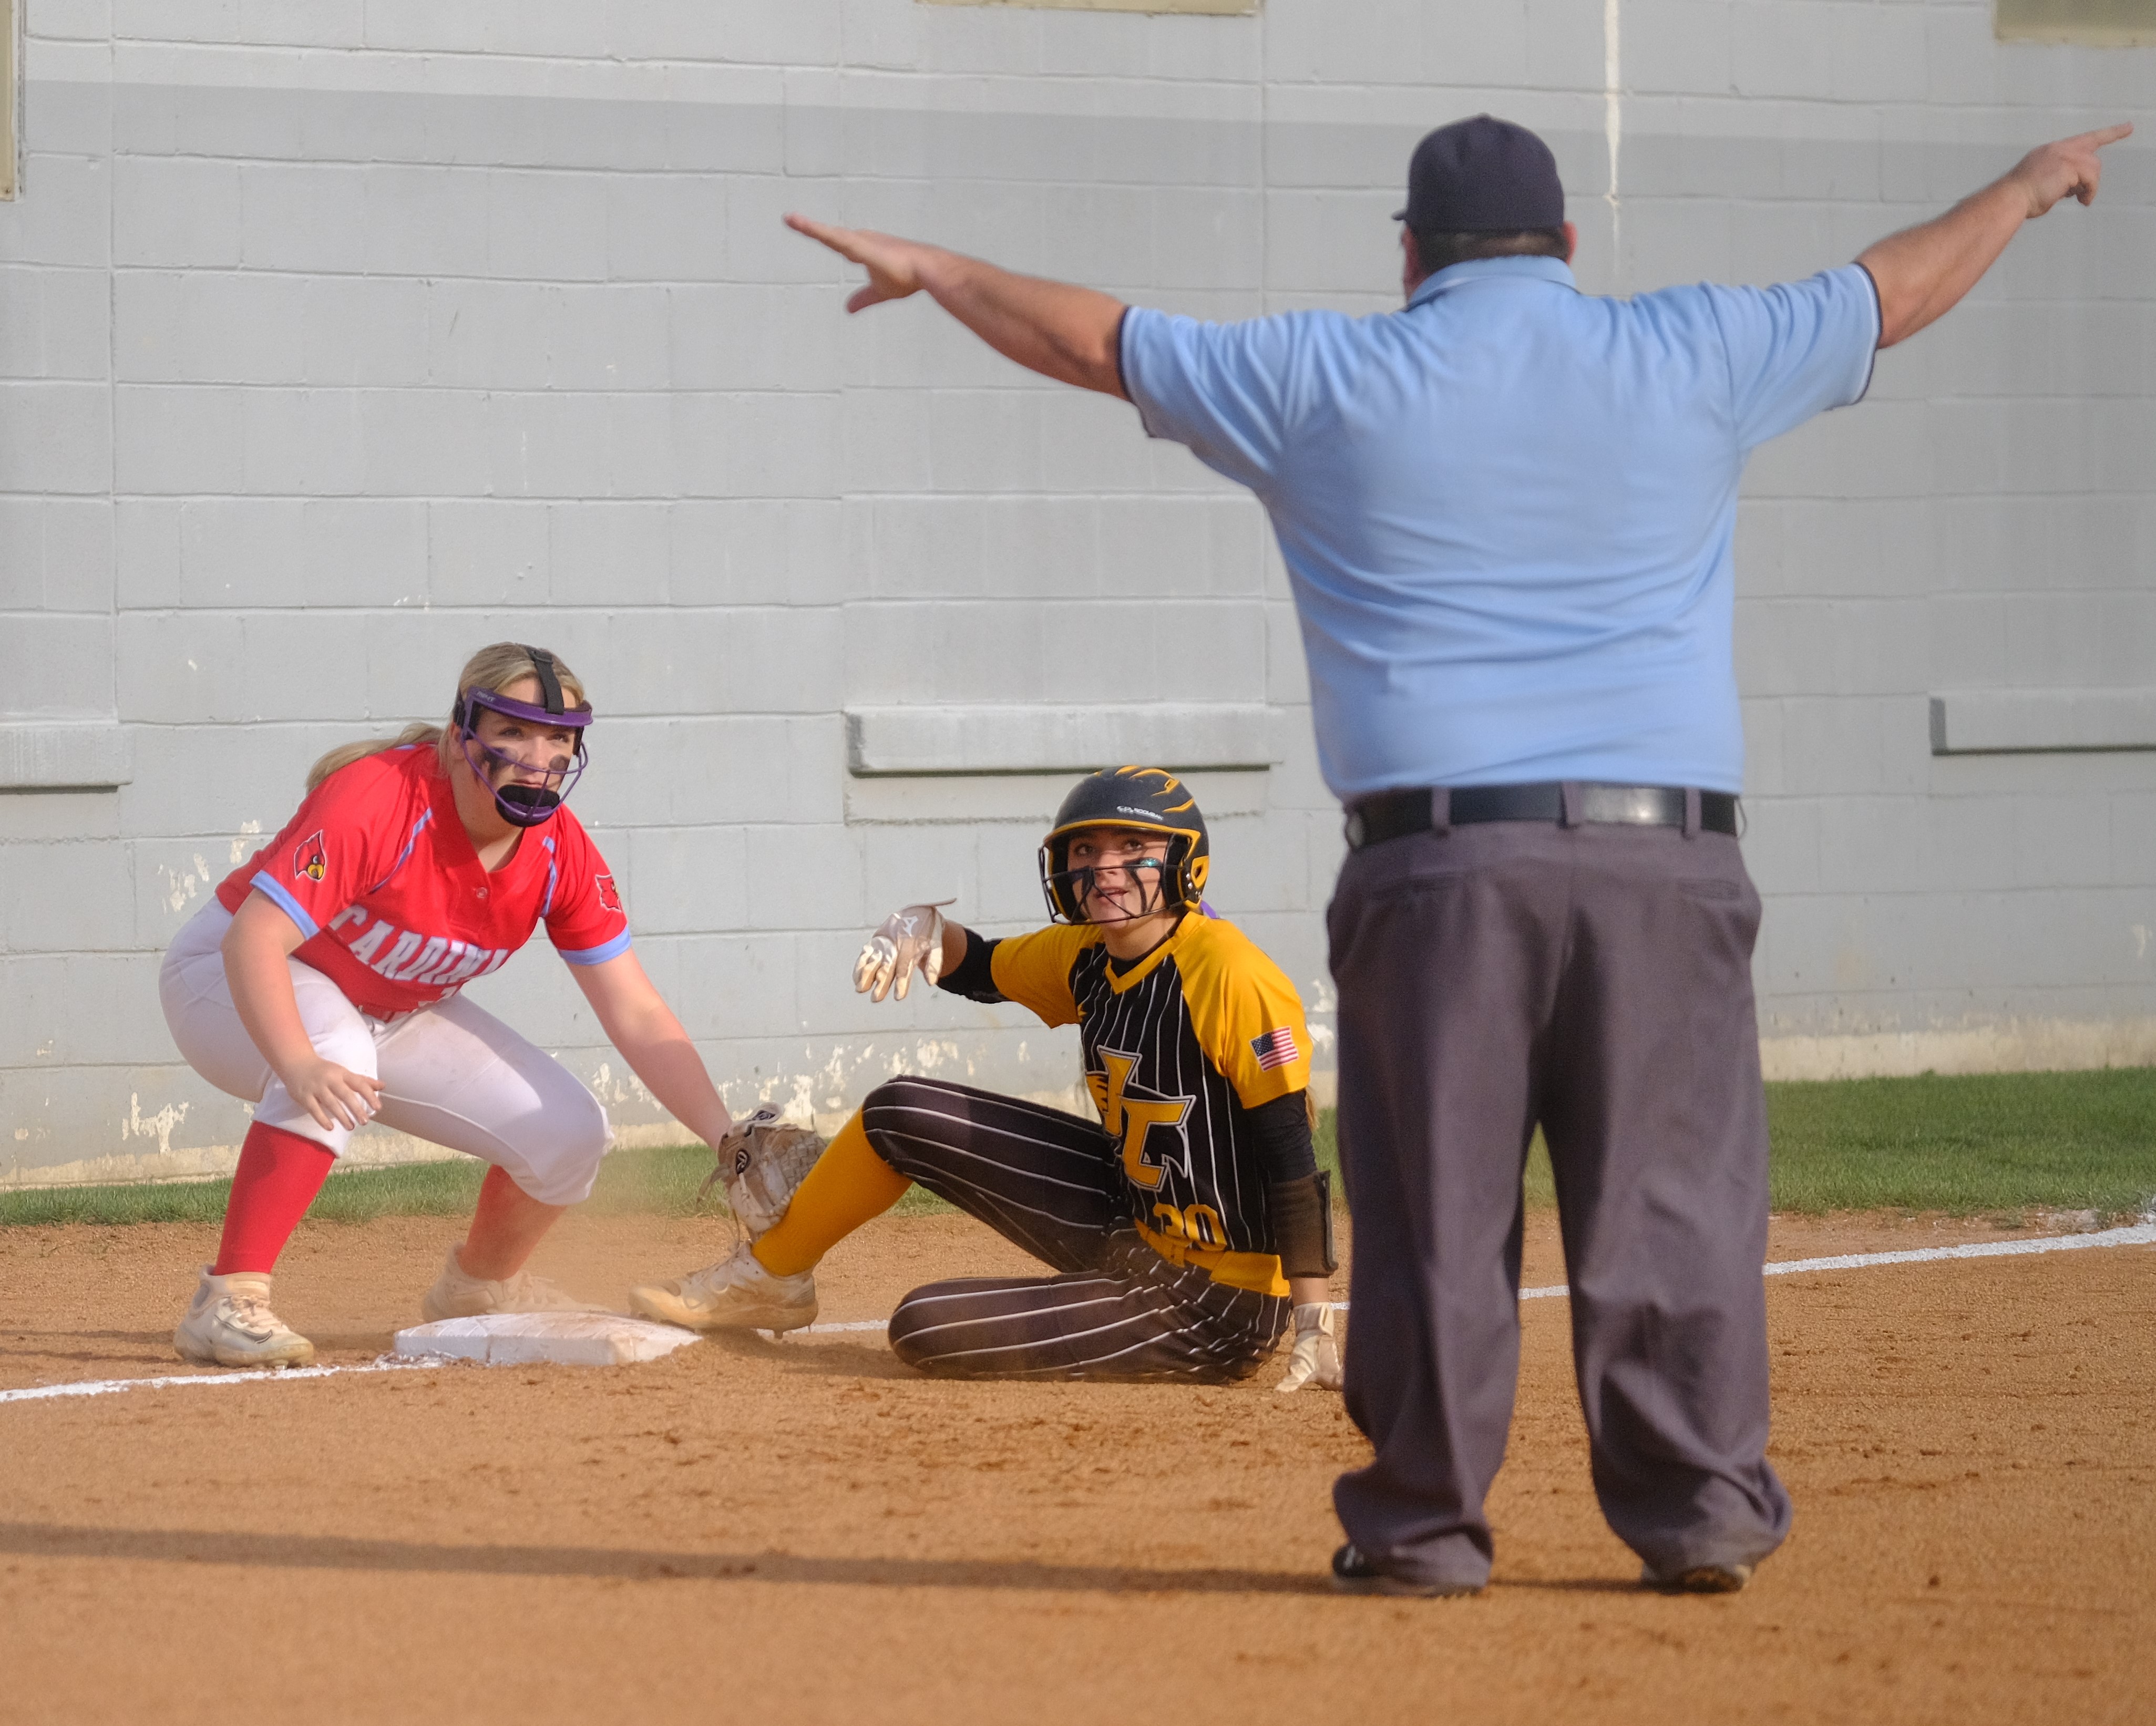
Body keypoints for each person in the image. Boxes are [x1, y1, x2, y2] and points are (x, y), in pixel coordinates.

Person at [779, 114, 2132, 1591]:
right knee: (1668, 1202)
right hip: (1663, 866)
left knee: (1434, 1206)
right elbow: (1894, 287)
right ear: (1564, 247)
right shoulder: (1692, 346)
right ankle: (1697, 1517)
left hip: (1435, 873)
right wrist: (2021, 184)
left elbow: (1096, 341)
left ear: (1408, 253)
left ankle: (1424, 1526)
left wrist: (934, 264)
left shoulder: (1325, 376)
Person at [630, 767, 1343, 1386]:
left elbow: (1289, 1155)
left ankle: (1148, 1323)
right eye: (1086, 851)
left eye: (1134, 848)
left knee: (923, 1325)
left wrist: (1310, 1322)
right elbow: (974, 965)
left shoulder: (1229, 972)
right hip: (1135, 1223)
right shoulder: (1087, 954)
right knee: (900, 1109)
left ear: (1184, 862)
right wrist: (917, 924)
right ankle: (770, 1276)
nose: (1105, 868)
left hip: (1216, 1297)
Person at [160, 642, 736, 1368]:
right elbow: (255, 941)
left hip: (383, 1011)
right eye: (514, 730)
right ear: (464, 732)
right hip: (228, 978)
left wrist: (726, 1140)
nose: (538, 756)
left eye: (558, 738)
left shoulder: (559, 851)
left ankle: (478, 1287)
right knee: (337, 1053)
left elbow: (637, 1011)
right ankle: (228, 1299)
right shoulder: (381, 798)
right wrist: (297, 1060)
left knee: (568, 1134)